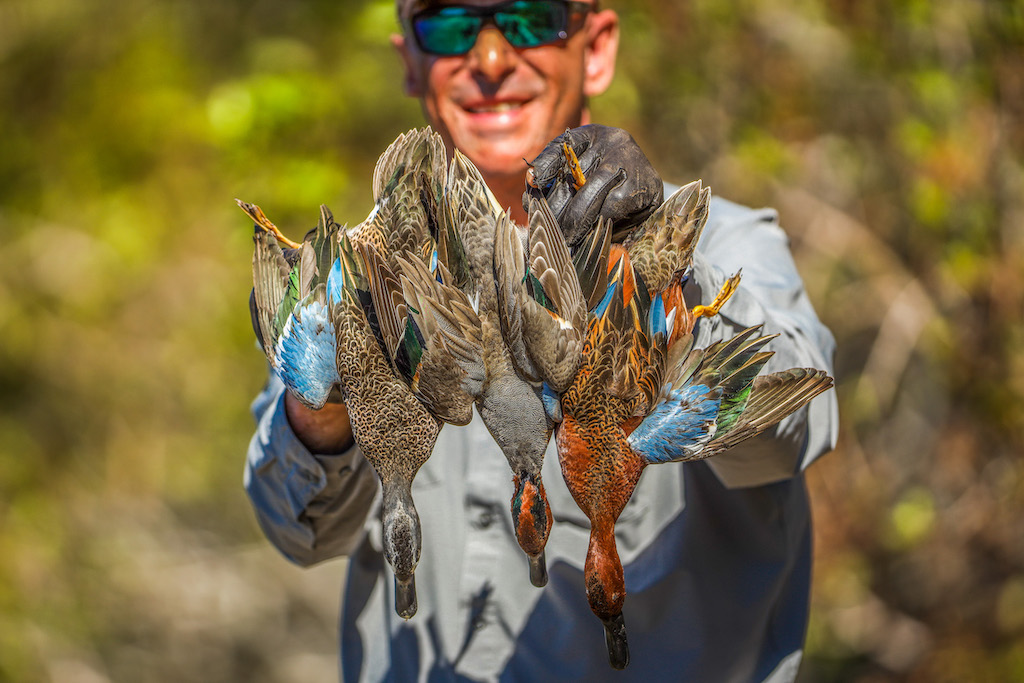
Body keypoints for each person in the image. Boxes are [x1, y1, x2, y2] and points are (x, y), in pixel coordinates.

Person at [245, 1, 839, 680]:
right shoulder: (363, 268)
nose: (492, 60)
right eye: (448, 24)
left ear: (598, 48)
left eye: (531, 16)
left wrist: (654, 262)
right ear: (409, 59)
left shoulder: (727, 244)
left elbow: (799, 425)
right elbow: (299, 527)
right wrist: (326, 400)